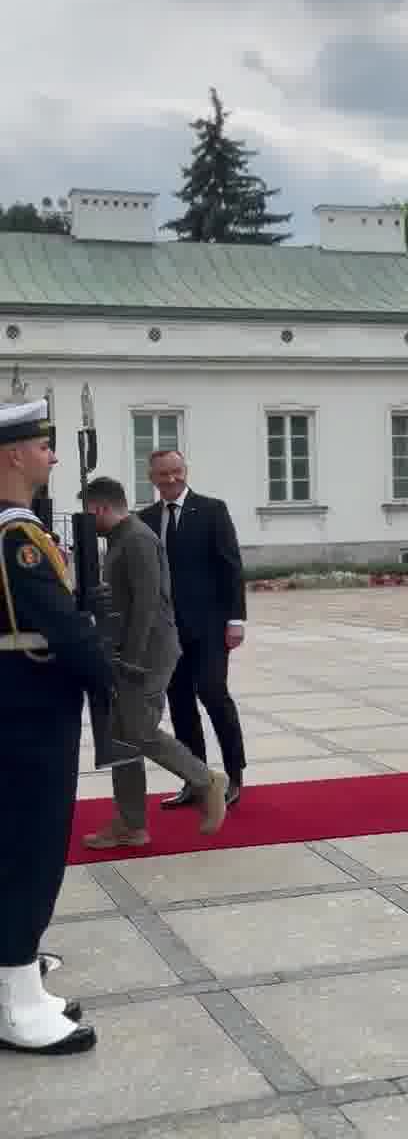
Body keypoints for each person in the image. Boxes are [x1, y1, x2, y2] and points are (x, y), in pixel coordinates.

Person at [0, 398, 111, 1055]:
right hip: (30, 713)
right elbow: (65, 631)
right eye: (42, 445)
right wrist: (112, 681)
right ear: (13, 455)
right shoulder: (18, 543)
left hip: (20, 709)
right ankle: (16, 1007)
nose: (53, 454)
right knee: (30, 852)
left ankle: (14, 983)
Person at [81, 478, 228, 849]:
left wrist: (131, 657)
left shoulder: (138, 539)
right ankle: (131, 824)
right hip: (128, 652)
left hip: (147, 654)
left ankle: (205, 780)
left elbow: (148, 603)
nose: (87, 522)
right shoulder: (119, 539)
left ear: (100, 508)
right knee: (120, 735)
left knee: (139, 730)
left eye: (87, 513)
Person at [140, 450, 247, 809]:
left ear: (185, 471)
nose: (171, 479)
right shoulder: (146, 519)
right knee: (181, 704)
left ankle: (234, 776)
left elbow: (231, 566)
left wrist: (236, 620)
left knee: (214, 694)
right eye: (163, 474)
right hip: (167, 634)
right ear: (151, 478)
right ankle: (196, 780)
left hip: (211, 628)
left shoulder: (212, 510)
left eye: (176, 471)